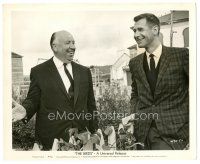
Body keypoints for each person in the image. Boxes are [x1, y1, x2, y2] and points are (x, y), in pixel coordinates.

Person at [12, 30, 98, 150]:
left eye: (74, 43)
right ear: (55, 46)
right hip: (51, 140)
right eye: (68, 43)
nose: (73, 47)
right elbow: (33, 99)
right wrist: (25, 110)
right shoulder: (39, 72)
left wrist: (95, 132)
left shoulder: (84, 72)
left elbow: (91, 104)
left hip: (82, 140)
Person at [129, 13, 189, 150]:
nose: (136, 34)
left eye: (140, 29)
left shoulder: (181, 56)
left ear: (155, 30)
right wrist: (134, 114)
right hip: (142, 135)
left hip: (174, 134)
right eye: (134, 30)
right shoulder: (134, 63)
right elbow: (135, 93)